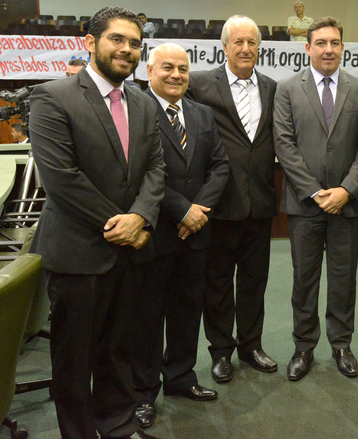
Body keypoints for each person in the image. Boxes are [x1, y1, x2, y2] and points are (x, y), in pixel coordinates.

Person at [29, 6, 166, 439]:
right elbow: (61, 179)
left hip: (129, 254)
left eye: (135, 43)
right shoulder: (52, 97)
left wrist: (140, 217)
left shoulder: (143, 102)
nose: (127, 49)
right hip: (78, 253)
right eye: (117, 39)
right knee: (74, 361)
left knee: (118, 352)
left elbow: (155, 168)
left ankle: (119, 425)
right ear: (90, 42)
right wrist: (121, 224)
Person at [131, 43, 230, 430]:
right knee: (147, 316)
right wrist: (182, 209)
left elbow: (220, 166)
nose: (176, 75)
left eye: (183, 69)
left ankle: (180, 378)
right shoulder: (137, 110)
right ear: (149, 71)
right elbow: (139, 170)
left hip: (196, 233)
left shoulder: (202, 113)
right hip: (156, 232)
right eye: (167, 67)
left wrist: (198, 211)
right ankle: (143, 392)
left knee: (188, 310)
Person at [273, 16, 358, 381]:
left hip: (347, 204)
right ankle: (303, 346)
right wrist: (315, 192)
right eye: (321, 43)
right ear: (308, 47)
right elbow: (284, 144)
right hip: (304, 205)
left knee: (344, 280)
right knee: (305, 279)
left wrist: (346, 190)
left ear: (343, 47)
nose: (328, 49)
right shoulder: (287, 89)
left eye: (334, 43)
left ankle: (342, 345)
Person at [187, 15, 280, 383]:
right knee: (218, 282)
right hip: (219, 204)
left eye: (252, 42)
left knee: (255, 281)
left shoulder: (272, 88)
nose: (245, 49)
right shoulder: (198, 85)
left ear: (259, 48)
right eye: (238, 42)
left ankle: (251, 345)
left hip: (261, 203)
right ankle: (221, 350)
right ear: (224, 47)